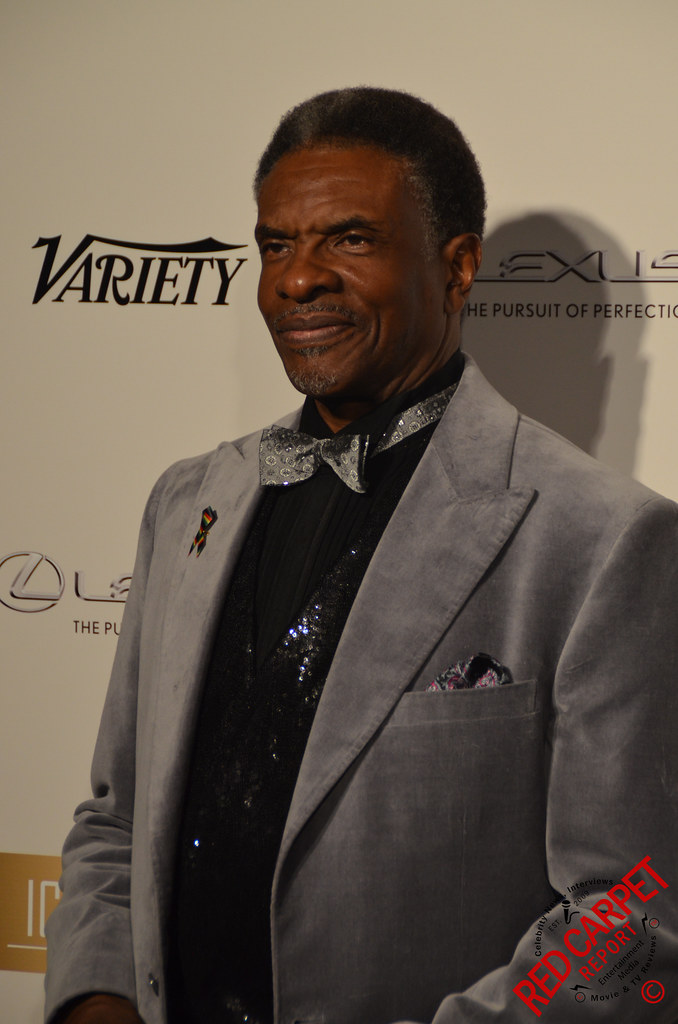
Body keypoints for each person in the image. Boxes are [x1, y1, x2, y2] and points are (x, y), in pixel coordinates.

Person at [45, 88, 678, 1024]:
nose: (298, 279)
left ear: (458, 267)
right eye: (275, 245)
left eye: (348, 239)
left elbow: (630, 916)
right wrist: (94, 997)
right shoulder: (187, 501)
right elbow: (116, 817)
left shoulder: (603, 538)